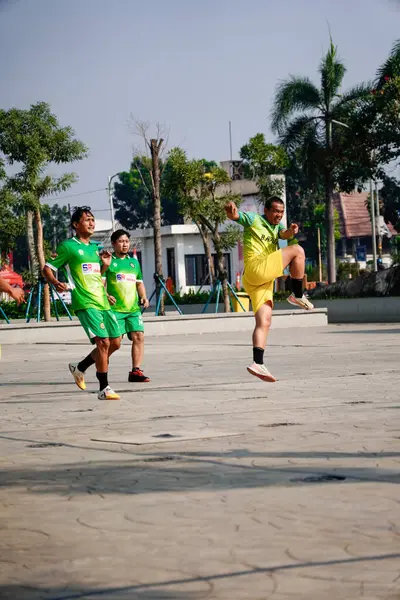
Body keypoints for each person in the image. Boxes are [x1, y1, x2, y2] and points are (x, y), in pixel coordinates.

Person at [225, 196, 313, 383]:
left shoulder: (278, 227)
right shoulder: (254, 219)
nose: (278, 215)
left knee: (264, 321)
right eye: (275, 211)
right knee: (297, 250)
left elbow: (284, 235)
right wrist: (232, 213)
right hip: (256, 268)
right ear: (266, 210)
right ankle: (297, 294)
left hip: (259, 282)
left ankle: (258, 362)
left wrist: (290, 231)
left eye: (281, 212)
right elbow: (237, 217)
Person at [43, 206, 122, 400]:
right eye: (87, 220)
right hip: (85, 302)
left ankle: (80, 367)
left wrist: (104, 269)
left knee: (116, 343)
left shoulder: (95, 248)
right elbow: (47, 268)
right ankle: (104, 388)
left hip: (102, 300)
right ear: (76, 225)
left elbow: (96, 276)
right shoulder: (68, 247)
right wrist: (55, 282)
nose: (91, 222)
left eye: (92, 219)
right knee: (103, 342)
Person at [104, 229, 150, 382]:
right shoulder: (109, 261)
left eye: (126, 241)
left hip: (133, 310)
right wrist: (105, 295)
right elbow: (100, 282)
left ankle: (135, 371)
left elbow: (139, 283)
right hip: (115, 310)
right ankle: (100, 360)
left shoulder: (134, 263)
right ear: (113, 244)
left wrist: (143, 296)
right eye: (121, 241)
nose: (124, 244)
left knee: (139, 336)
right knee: (114, 343)